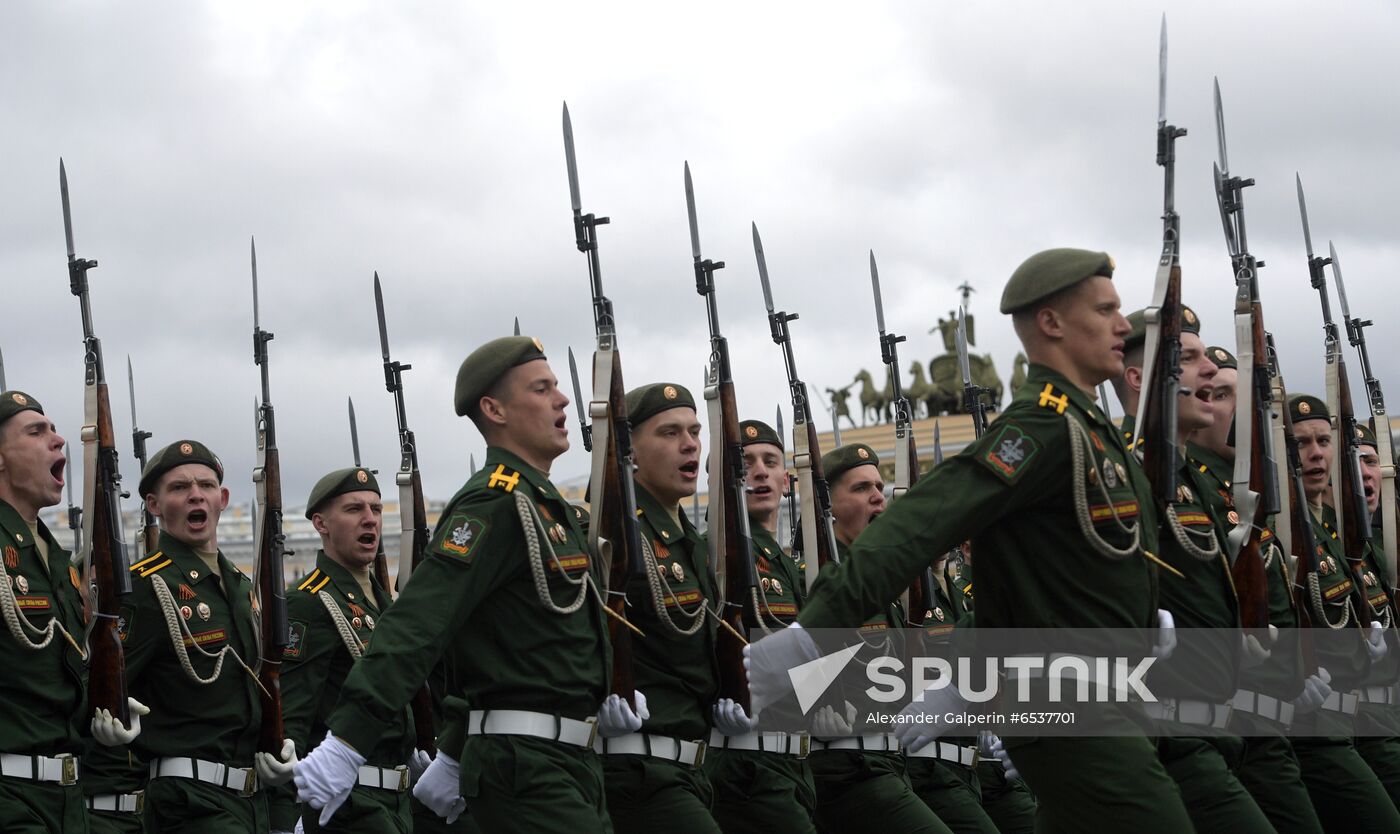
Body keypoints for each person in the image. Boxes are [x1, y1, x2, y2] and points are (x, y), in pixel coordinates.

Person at [748, 248, 1196, 833]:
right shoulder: (1040, 428)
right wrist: (814, 634)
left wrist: (1139, 622)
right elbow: (921, 524)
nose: (1122, 325)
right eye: (1106, 309)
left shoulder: (1090, 429)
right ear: (1051, 324)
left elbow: (1032, 582)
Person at [294, 335, 619, 833]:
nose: (563, 400)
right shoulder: (495, 504)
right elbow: (419, 625)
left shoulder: (544, 507)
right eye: (541, 389)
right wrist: (346, 743)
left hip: (568, 760)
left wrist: (450, 748)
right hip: (527, 767)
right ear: (495, 409)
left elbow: (489, 645)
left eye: (556, 386)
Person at [1113, 311, 1275, 834]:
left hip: (1220, 728)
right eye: (1188, 359)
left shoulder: (1198, 484)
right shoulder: (1115, 470)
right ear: (1137, 378)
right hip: (1164, 736)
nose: (1209, 369)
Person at [1186, 347, 1327, 834]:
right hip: (1230, 719)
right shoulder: (1199, 490)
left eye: (1242, 396)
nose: (1234, 409)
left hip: (1275, 715)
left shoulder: (1246, 491)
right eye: (1220, 394)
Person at [122, 439, 293, 833]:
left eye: (206, 485)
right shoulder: (147, 588)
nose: (195, 495)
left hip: (250, 804)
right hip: (190, 803)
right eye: (179, 488)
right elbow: (102, 687)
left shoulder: (241, 587)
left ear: (223, 498)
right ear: (154, 505)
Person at [0, 391, 143, 833]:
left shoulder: (60, 563)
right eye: (36, 432)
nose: (59, 440)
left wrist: (103, 709)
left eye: (54, 429)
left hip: (66, 801)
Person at [804, 443, 952, 834]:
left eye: (879, 487)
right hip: (848, 771)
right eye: (860, 488)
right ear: (827, 505)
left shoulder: (881, 584)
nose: (877, 497)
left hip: (893, 764)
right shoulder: (814, 579)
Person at [594, 382, 721, 834]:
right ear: (628, 451)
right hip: (641, 769)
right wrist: (595, 693)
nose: (689, 444)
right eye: (669, 433)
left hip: (697, 765)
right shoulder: (611, 534)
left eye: (694, 431)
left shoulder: (693, 541)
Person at [268, 467, 419, 833]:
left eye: (376, 509)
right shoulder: (308, 602)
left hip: (397, 804)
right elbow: (293, 720)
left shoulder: (385, 603)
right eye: (354, 510)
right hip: (348, 804)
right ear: (321, 523)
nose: (369, 520)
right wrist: (287, 819)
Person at [1287, 394, 1400, 832]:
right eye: (1301, 443)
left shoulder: (1356, 546)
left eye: (1323, 441)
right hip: (1334, 725)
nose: (1316, 453)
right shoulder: (1308, 536)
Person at [703, 418, 817, 834]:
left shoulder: (794, 567)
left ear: (787, 481)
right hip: (746, 765)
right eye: (745, 462)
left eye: (770, 461)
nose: (759, 470)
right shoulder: (710, 556)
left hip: (798, 763)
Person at [1353, 423, 1400, 808]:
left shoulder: (1389, 544)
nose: (1364, 473)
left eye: (1370, 461)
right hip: (1366, 722)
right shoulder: (1339, 545)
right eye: (1353, 462)